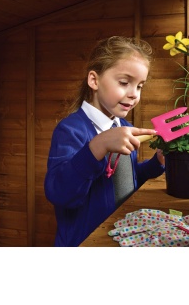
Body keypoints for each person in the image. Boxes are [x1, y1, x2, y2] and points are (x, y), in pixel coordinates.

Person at [44, 36, 166, 247]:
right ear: (94, 80)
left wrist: (157, 163)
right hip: (85, 243)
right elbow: (60, 194)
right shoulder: (70, 131)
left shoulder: (123, 125)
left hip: (119, 237)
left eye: (139, 86)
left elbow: (126, 179)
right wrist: (97, 147)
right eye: (124, 83)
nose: (133, 94)